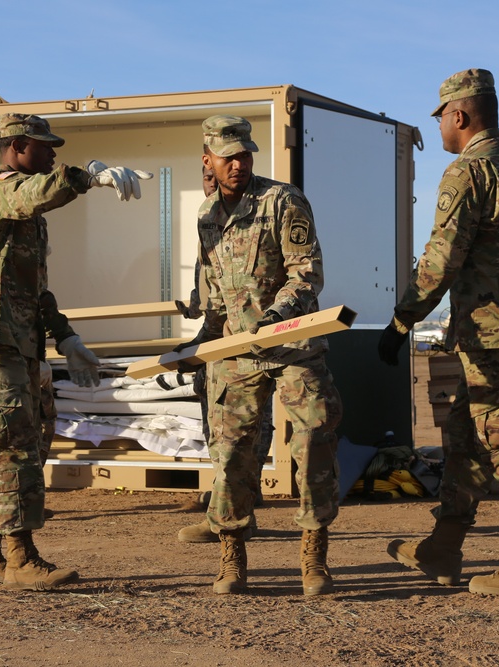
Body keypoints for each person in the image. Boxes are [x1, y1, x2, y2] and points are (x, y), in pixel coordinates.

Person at [378, 69, 499, 598]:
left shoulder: (468, 173)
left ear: (459, 116)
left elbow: (441, 259)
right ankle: (444, 544)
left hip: (492, 334)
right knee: (464, 438)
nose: (439, 128)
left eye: (440, 119)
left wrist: (402, 320)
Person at [0, 113, 151, 591]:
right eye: (45, 146)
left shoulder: (31, 222)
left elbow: (37, 293)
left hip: (20, 347)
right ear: (17, 147)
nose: (53, 153)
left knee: (27, 444)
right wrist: (87, 177)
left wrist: (66, 338)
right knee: (10, 448)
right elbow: (31, 194)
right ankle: (21, 559)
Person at [181, 115, 342, 595]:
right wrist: (200, 348)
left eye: (245, 154)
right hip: (236, 353)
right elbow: (211, 292)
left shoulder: (282, 201)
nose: (238, 163)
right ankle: (233, 557)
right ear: (208, 160)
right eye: (228, 156)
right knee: (232, 456)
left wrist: (278, 315)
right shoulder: (207, 215)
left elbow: (306, 273)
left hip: (293, 345)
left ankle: (314, 559)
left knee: (313, 444)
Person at [174, 165, 270, 544]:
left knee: (249, 423)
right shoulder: (207, 221)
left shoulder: (255, 216)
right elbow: (211, 292)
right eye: (208, 179)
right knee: (215, 418)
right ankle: (224, 501)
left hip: (254, 336)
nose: (213, 186)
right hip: (219, 334)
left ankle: (242, 503)